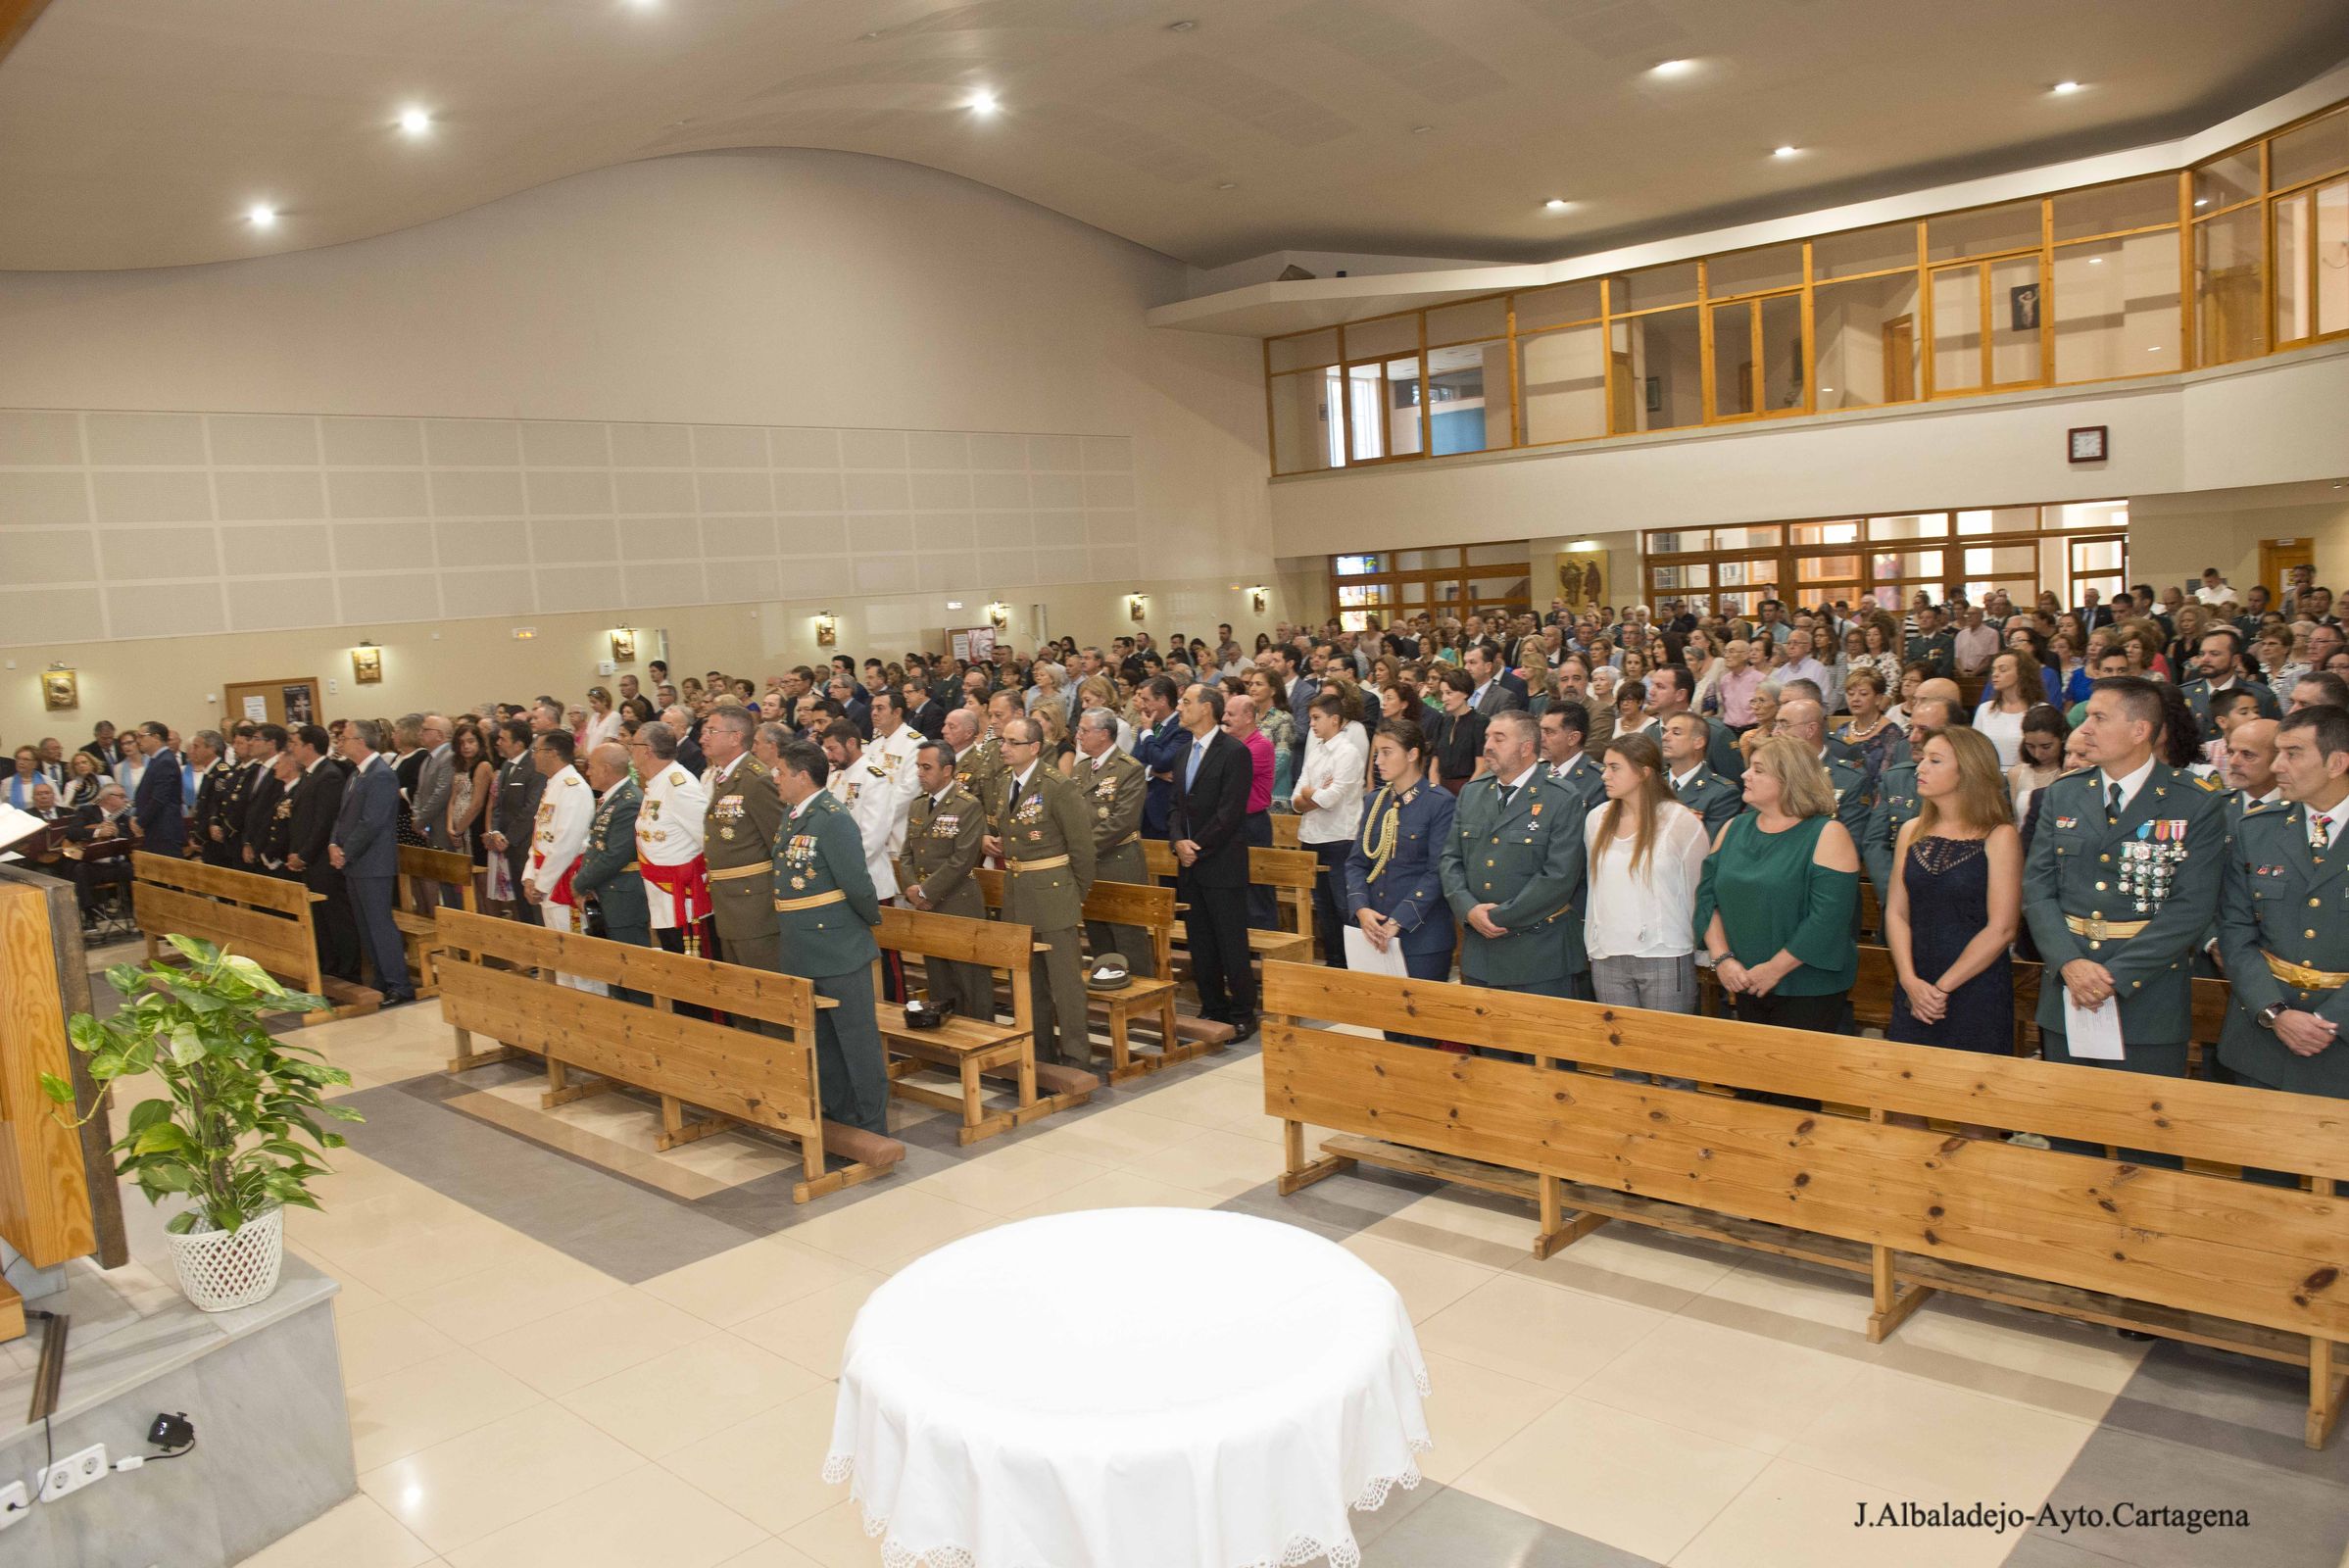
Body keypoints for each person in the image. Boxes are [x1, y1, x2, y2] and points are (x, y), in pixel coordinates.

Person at [2022, 676, 2227, 1082]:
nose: (2084, 729)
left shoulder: (2195, 801)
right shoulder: (2065, 793)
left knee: (2144, 1139)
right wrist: (2070, 964)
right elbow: (2038, 889)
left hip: (2148, 998)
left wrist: (2114, 977)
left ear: (2139, 730)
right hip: (2069, 991)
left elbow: (2191, 907)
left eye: (2099, 717)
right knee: (2069, 1133)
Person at [2217, 706, 2349, 1102]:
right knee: (2261, 1163)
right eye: (2276, 752)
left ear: (2337, 762)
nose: (2277, 766)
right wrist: (2275, 1013)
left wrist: (2330, 1020)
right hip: (2264, 1038)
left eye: (2293, 753)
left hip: (2340, 1042)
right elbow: (2236, 931)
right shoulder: (2256, 828)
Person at [1884, 727, 2021, 1112]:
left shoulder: (1999, 835)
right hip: (1914, 981)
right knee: (1905, 1106)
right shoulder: (1912, 831)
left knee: (1974, 1112)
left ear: (1969, 771)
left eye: (1935, 760)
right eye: (1922, 757)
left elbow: (2003, 927)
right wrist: (1911, 981)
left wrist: (1941, 988)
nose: (1920, 767)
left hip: (1973, 987)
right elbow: (1896, 911)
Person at [1695, 735, 1863, 1036]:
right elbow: (1707, 898)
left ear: (1790, 779)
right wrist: (1722, 960)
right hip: (1745, 979)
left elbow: (1828, 919)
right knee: (1751, 1079)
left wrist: (1774, 970)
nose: (1745, 775)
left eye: (1758, 769)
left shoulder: (1827, 833)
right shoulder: (1734, 828)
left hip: (1807, 987)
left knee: (1796, 1080)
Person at [771, 738, 891, 1135]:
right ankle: (838, 1118)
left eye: (781, 773)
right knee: (823, 1042)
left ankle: (871, 1123)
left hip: (837, 946)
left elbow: (857, 883)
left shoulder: (832, 817)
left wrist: (868, 921)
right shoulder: (793, 814)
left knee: (856, 1041)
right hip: (802, 947)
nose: (776, 779)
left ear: (803, 776)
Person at [1439, 710, 1587, 1004]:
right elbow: (1450, 860)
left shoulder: (1561, 796)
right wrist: (1469, 910)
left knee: (1540, 1048)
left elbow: (1559, 876)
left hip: (1537, 953)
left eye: (1499, 738)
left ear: (1526, 747)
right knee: (1490, 1048)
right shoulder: (1473, 792)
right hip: (1481, 953)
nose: (1488, 745)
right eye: (1487, 737)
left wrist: (1495, 917)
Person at [986, 715, 1097, 1067]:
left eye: (1012, 742)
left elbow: (1082, 849)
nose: (1003, 747)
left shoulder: (1056, 785)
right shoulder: (1005, 783)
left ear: (1033, 747)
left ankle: (1077, 1055)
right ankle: (1040, 1051)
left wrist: (1072, 893)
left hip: (1052, 892)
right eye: (1002, 741)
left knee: (1065, 982)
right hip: (1018, 891)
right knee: (1028, 981)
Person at [1584, 732, 1709, 1029]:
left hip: (1665, 953)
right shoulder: (1596, 819)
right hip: (1608, 954)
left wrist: (1703, 949)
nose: (1604, 775)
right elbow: (1595, 887)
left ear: (1644, 772)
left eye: (1615, 768)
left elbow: (1699, 890)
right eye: (1605, 767)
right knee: (1624, 1060)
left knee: (1670, 1060)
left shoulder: (1680, 821)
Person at [1344, 719, 1457, 1039]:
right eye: (1376, 753)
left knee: (1420, 1033)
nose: (1377, 761)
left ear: (1412, 754)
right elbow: (1356, 863)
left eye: (1385, 752)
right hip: (1376, 932)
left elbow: (1438, 871)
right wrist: (1362, 910)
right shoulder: (1374, 802)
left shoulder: (1439, 803)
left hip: (1421, 936)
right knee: (1390, 1030)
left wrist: (1399, 920)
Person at [1170, 683, 1257, 1037]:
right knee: (1200, 940)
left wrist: (1196, 847)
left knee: (1230, 940)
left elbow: (1230, 812)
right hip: (1190, 864)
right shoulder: (1181, 754)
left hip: (1221, 861)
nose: (1180, 707)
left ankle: (1242, 1012)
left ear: (1207, 708)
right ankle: (1212, 1006)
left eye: (1186, 701)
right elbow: (1176, 806)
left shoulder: (1233, 752)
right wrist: (1177, 841)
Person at [902, 739, 991, 1020]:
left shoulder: (967, 806)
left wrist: (925, 892)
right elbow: (906, 854)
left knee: (970, 980)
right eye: (918, 766)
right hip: (927, 906)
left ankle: (982, 1040)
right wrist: (912, 890)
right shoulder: (918, 806)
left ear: (947, 770)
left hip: (957, 903)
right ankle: (946, 1043)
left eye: (927, 767)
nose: (920, 773)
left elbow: (963, 860)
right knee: (939, 979)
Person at [326, 718, 414, 1004]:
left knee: (379, 924)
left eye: (346, 738)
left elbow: (371, 822)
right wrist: (333, 844)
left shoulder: (381, 775)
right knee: (364, 924)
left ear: (361, 742)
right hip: (354, 861)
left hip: (373, 863)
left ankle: (399, 985)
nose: (341, 743)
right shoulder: (357, 773)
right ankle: (380, 979)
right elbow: (342, 816)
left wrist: (346, 851)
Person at [701, 708, 784, 983]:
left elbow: (779, 842)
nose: (703, 738)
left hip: (754, 906)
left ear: (736, 737)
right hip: (729, 902)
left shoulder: (755, 779)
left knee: (763, 988)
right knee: (741, 991)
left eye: (712, 731)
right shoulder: (724, 777)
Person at [1072, 708, 1153, 981]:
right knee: (1098, 931)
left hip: (1119, 862)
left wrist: (1079, 848)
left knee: (1128, 936)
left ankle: (1143, 1002)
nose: (1078, 735)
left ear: (1104, 734)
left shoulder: (1128, 768)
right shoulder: (1082, 768)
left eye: (1084, 730)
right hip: (1089, 864)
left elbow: (1122, 821)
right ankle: (1106, 989)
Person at [1292, 690, 1367, 966]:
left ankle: (1354, 963)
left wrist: (1312, 793)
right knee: (1322, 907)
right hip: (1311, 837)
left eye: (1316, 718)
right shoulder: (1316, 752)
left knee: (1343, 905)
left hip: (1339, 839)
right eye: (1310, 718)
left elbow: (1329, 799)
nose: (1311, 724)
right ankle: (1335, 961)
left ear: (1334, 719)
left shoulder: (1348, 753)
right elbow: (1295, 800)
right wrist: (1314, 793)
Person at [524, 729, 602, 995]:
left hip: (565, 880)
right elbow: (539, 837)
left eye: (537, 751)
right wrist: (529, 876)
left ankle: (588, 1009)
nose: (533, 756)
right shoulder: (553, 785)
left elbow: (566, 842)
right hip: (547, 877)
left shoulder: (574, 788)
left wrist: (542, 882)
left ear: (553, 753)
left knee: (576, 954)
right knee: (559, 954)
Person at [631, 720, 710, 962]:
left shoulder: (679, 785)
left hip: (684, 900)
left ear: (647, 750)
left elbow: (707, 838)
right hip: (663, 896)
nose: (629, 751)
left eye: (632, 745)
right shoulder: (657, 783)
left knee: (690, 976)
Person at [573, 741, 650, 959]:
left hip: (624, 897)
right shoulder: (612, 799)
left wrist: (579, 883)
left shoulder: (629, 801)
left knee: (631, 967)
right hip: (607, 893)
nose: (587, 772)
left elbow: (615, 855)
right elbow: (596, 845)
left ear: (606, 769)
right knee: (614, 967)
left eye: (591, 767)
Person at [1660, 712, 1742, 838]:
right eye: (1664, 732)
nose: (1665, 737)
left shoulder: (1722, 793)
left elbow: (1708, 847)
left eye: (1676, 733)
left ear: (1698, 743)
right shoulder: (1652, 784)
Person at [128, 720, 184, 858]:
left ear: (156, 737)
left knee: (168, 874)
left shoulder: (165, 761)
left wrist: (140, 822)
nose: (138, 740)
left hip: (164, 828)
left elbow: (159, 798)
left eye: (141, 736)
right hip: (156, 827)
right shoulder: (156, 760)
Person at [1430, 668, 1486, 793]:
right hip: (1441, 789)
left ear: (1465, 693)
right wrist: (1435, 791)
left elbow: (1482, 767)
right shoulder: (1443, 722)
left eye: (1449, 693)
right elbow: (1434, 763)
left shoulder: (1480, 722)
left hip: (1469, 789)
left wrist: (1466, 794)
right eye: (1442, 693)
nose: (1444, 698)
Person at [2006, 705, 2069, 817]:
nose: (2037, 754)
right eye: (2030, 746)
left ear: (2062, 738)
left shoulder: (2072, 771)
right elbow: (2016, 819)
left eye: (2046, 747)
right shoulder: (2016, 774)